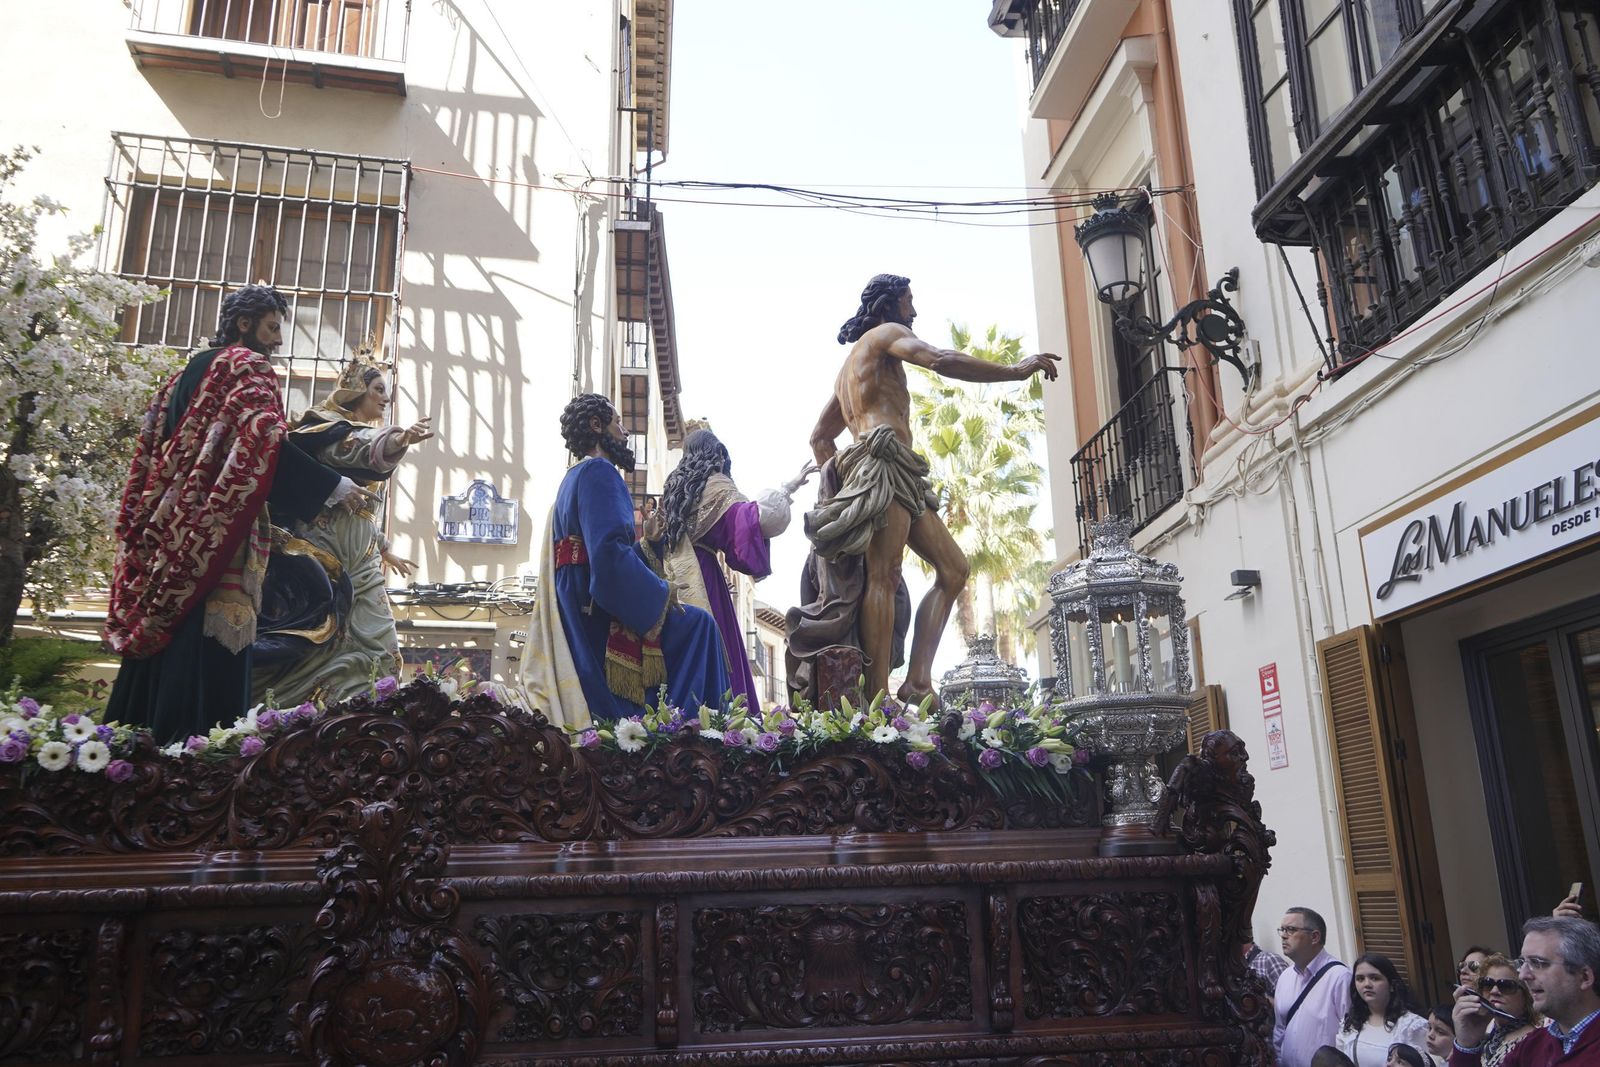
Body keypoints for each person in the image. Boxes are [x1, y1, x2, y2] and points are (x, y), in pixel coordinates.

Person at [105, 285, 365, 742]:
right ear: (244, 324)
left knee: (167, 639)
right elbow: (261, 440)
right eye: (272, 327)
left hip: (164, 533)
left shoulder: (180, 377)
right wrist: (335, 485)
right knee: (211, 635)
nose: (278, 342)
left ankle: (132, 749)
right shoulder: (244, 367)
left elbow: (148, 454)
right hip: (212, 532)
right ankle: (199, 754)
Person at [800, 273, 1058, 704]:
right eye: (908, 302)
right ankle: (879, 697)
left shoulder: (846, 373)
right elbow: (939, 359)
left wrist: (843, 487)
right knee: (883, 576)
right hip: (881, 464)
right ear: (887, 307)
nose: (914, 312)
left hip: (893, 471)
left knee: (954, 569)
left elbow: (819, 440)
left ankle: (918, 681)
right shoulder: (886, 334)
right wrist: (1013, 371)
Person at [519, 394, 728, 728]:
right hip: (595, 608)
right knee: (701, 628)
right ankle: (693, 731)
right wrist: (661, 592)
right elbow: (607, 558)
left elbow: (596, 554)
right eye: (619, 423)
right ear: (597, 425)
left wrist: (647, 544)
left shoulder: (572, 477)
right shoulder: (601, 472)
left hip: (580, 598)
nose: (626, 432)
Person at [251, 361, 433, 707]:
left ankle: (352, 713)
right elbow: (357, 446)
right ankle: (311, 711)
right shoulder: (326, 431)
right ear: (355, 391)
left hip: (359, 565)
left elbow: (363, 512)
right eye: (378, 389)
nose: (385, 397)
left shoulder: (344, 431)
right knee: (361, 645)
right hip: (330, 563)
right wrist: (400, 437)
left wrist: (383, 548)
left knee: (375, 648)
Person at [655, 426, 812, 713]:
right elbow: (748, 521)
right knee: (716, 648)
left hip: (668, 578)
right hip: (704, 579)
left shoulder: (673, 488)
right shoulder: (714, 485)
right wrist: (787, 490)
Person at [1450, 915, 1600, 1064]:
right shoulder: (1531, 1047)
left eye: (1537, 963)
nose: (1523, 975)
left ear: (1584, 977)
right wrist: (1467, 1046)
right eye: (1523, 963)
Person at [1276, 907, 1355, 1067]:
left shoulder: (1339, 977)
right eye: (1282, 930)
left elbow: (1350, 1035)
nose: (1284, 935)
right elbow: (1279, 1029)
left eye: (1291, 930)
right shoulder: (1285, 977)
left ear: (1314, 937)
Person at [1337, 953, 1431, 1066]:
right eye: (1360, 979)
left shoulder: (1412, 1026)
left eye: (1375, 978)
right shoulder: (1349, 1024)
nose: (1367, 984)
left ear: (1391, 985)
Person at [1473, 953, 1543, 1067]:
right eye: (1487, 984)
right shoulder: (1485, 1038)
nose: (1494, 991)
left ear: (1526, 995)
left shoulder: (1534, 1041)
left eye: (1506, 986)